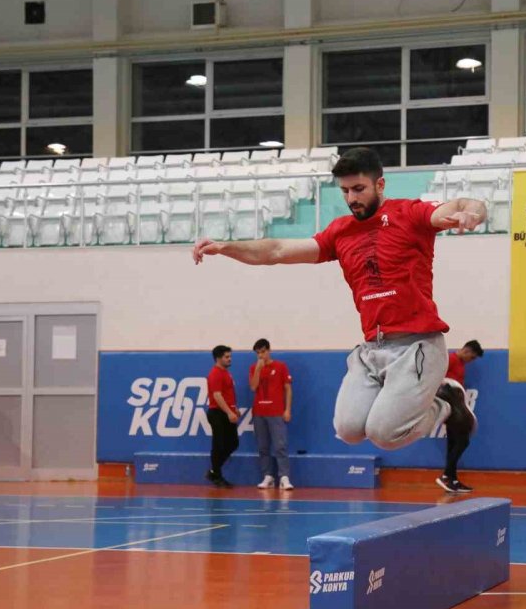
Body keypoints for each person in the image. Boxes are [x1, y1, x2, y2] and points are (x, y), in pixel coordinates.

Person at [192, 147, 484, 451]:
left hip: (417, 345)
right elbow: (275, 251)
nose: (351, 199)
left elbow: (465, 203)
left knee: (384, 434)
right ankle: (425, 396)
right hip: (373, 348)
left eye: (358, 189)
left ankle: (446, 403)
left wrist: (470, 212)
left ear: (379, 185)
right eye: (345, 191)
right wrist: (226, 247)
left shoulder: (409, 214)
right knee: (348, 430)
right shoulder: (340, 233)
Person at [436, 339, 484, 494]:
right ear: (467, 351)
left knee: (453, 444)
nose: (472, 361)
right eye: (473, 357)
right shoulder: (449, 359)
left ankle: (453, 480)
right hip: (451, 408)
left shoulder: (460, 364)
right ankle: (445, 476)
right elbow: (435, 379)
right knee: (463, 441)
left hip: (455, 408)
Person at [250, 338, 294, 491]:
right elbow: (253, 387)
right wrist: (257, 369)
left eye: (263, 352)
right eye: (258, 353)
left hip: (276, 412)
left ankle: (284, 476)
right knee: (263, 446)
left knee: (280, 445)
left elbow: (288, 389)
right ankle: (268, 476)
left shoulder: (280, 367)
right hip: (259, 413)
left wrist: (287, 409)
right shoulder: (254, 368)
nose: (261, 355)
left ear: (269, 350)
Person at [205, 345, 239, 488]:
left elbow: (227, 394)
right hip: (217, 413)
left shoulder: (225, 373)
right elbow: (217, 396)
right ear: (218, 358)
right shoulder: (215, 374)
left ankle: (214, 471)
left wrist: (234, 409)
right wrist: (229, 412)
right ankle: (217, 475)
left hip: (226, 412)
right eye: (226, 357)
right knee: (218, 445)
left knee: (233, 443)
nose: (229, 359)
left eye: (230, 356)